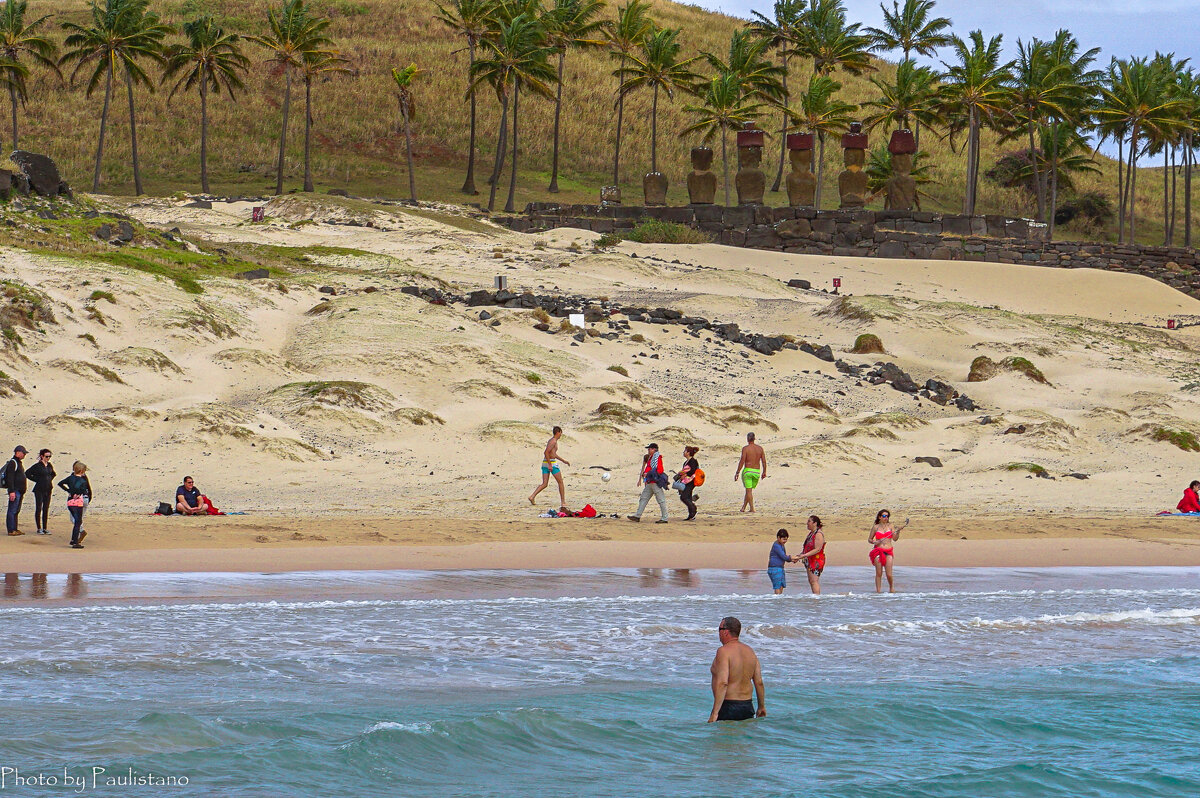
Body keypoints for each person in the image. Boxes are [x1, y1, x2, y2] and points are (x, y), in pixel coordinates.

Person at [708, 616, 766, 723]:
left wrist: (715, 712)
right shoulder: (750, 651)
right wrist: (761, 707)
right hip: (747, 707)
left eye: (719, 629)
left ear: (725, 632)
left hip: (729, 707)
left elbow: (723, 683)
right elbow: (759, 682)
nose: (718, 633)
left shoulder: (723, 651)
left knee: (723, 739)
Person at [528, 426, 570, 510]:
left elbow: (553, 454)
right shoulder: (553, 441)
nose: (561, 435)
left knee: (545, 483)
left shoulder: (552, 441)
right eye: (561, 433)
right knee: (560, 482)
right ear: (558, 432)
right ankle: (563, 502)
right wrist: (550, 464)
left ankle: (532, 496)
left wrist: (563, 460)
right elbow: (546, 452)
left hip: (545, 463)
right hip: (550, 463)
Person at [628, 443, 669, 524]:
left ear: (654, 449)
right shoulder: (653, 458)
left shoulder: (657, 458)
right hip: (650, 482)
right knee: (644, 498)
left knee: (661, 500)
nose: (648, 450)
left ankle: (665, 518)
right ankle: (637, 516)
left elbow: (660, 470)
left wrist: (648, 474)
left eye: (650, 449)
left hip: (654, 482)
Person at [869, 509, 907, 594]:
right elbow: (869, 539)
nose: (886, 517)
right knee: (879, 573)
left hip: (888, 551)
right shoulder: (876, 527)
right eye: (884, 516)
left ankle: (891, 588)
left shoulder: (890, 526)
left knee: (889, 574)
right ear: (879, 517)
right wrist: (875, 542)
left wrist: (898, 532)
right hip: (878, 551)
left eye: (887, 516)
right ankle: (878, 592)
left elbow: (895, 539)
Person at [58, 461, 92, 549]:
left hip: (70, 501)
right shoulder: (82, 480)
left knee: (75, 520)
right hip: (78, 502)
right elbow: (84, 490)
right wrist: (78, 493)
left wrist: (69, 491)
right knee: (78, 521)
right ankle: (75, 541)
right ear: (82, 471)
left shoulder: (70, 478)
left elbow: (60, 483)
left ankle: (74, 539)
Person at [24, 449, 56, 536]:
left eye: (49, 456)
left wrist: (48, 480)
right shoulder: (37, 466)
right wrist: (38, 480)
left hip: (48, 488)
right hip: (39, 489)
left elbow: (53, 474)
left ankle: (45, 528)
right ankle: (39, 528)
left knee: (46, 508)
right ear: (42, 456)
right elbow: (27, 473)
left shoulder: (49, 465)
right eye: (46, 456)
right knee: (39, 508)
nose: (48, 458)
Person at [734, 432, 767, 513]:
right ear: (754, 438)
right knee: (749, 491)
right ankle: (743, 508)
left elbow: (742, 461)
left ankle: (752, 508)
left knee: (749, 491)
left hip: (748, 471)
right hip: (757, 472)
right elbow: (764, 461)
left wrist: (737, 472)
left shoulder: (745, 448)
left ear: (747, 439)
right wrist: (764, 472)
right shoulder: (760, 448)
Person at [794, 515, 827, 595]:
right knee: (811, 581)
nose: (807, 523)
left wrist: (804, 555)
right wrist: (799, 556)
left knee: (814, 581)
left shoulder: (818, 534)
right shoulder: (811, 534)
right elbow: (806, 548)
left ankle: (817, 598)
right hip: (810, 560)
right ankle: (815, 597)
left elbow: (817, 549)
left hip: (816, 560)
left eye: (809, 521)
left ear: (815, 523)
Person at [3, 445, 28, 536]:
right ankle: (11, 530)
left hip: (19, 491)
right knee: (12, 510)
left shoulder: (18, 462)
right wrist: (11, 491)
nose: (24, 455)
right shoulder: (13, 463)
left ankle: (15, 529)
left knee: (16, 510)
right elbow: (10, 478)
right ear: (18, 452)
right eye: (23, 453)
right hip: (15, 491)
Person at [673, 446, 701, 521]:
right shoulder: (686, 462)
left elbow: (694, 471)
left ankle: (693, 509)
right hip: (686, 482)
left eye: (685, 451)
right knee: (687, 497)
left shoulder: (693, 461)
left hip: (691, 482)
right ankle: (691, 515)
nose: (683, 452)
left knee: (684, 497)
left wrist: (685, 474)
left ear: (688, 453)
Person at [767, 529, 796, 594]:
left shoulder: (781, 545)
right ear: (778, 538)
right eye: (783, 539)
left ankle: (780, 601)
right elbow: (784, 556)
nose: (785, 541)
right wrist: (796, 557)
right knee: (777, 586)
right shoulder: (776, 546)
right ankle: (777, 601)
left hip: (780, 568)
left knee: (781, 585)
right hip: (774, 568)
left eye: (786, 539)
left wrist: (791, 560)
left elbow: (784, 557)